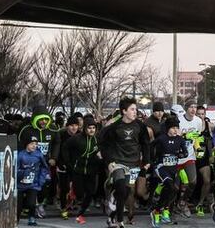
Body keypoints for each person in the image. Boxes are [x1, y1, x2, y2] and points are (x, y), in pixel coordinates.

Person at [99, 97, 151, 228]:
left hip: (133, 163)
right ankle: (120, 221)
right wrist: (109, 161)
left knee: (126, 192)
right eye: (132, 109)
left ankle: (111, 214)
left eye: (135, 109)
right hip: (118, 163)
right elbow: (104, 144)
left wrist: (146, 161)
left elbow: (145, 144)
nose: (135, 112)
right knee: (122, 187)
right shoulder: (114, 127)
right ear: (124, 111)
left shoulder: (140, 126)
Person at [150, 116, 189, 227]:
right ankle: (156, 212)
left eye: (177, 127)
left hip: (173, 168)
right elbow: (150, 146)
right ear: (167, 128)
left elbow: (185, 152)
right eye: (173, 128)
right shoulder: (161, 138)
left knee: (172, 190)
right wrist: (152, 159)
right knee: (170, 187)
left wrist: (182, 154)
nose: (175, 130)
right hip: (161, 167)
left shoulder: (180, 139)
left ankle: (165, 210)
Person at [63, 116, 101, 225]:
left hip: (91, 171)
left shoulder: (97, 139)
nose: (91, 130)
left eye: (93, 128)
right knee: (79, 193)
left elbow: (102, 150)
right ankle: (72, 197)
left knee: (90, 192)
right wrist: (68, 162)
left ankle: (81, 213)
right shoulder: (77, 138)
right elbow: (65, 147)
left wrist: (100, 158)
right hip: (78, 170)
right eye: (89, 128)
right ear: (84, 128)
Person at [176, 101, 204, 217]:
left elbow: (196, 137)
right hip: (177, 156)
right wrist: (184, 136)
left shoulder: (197, 121)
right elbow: (173, 135)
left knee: (192, 181)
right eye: (191, 107)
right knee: (175, 185)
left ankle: (183, 202)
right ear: (186, 108)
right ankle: (169, 206)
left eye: (195, 107)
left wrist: (198, 148)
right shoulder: (179, 120)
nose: (193, 109)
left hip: (189, 156)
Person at [50, 115, 80, 219]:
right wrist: (58, 162)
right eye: (72, 125)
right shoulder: (61, 135)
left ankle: (71, 204)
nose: (74, 128)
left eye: (76, 125)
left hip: (76, 166)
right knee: (64, 187)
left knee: (75, 187)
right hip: (63, 165)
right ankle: (63, 208)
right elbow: (57, 149)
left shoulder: (80, 135)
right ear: (67, 126)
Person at [18, 134, 51, 226]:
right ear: (26, 144)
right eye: (32, 143)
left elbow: (44, 168)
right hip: (20, 185)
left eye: (36, 144)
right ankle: (15, 220)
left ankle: (32, 218)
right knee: (18, 206)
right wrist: (23, 172)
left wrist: (40, 181)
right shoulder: (20, 155)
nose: (34, 146)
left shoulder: (38, 154)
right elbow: (15, 169)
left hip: (33, 184)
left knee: (32, 204)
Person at [193, 105, 214, 217]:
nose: (201, 116)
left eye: (202, 114)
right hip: (191, 157)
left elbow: (210, 141)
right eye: (198, 114)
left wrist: (211, 155)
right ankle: (184, 202)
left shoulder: (207, 125)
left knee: (207, 180)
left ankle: (200, 203)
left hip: (203, 157)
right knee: (192, 182)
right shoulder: (192, 124)